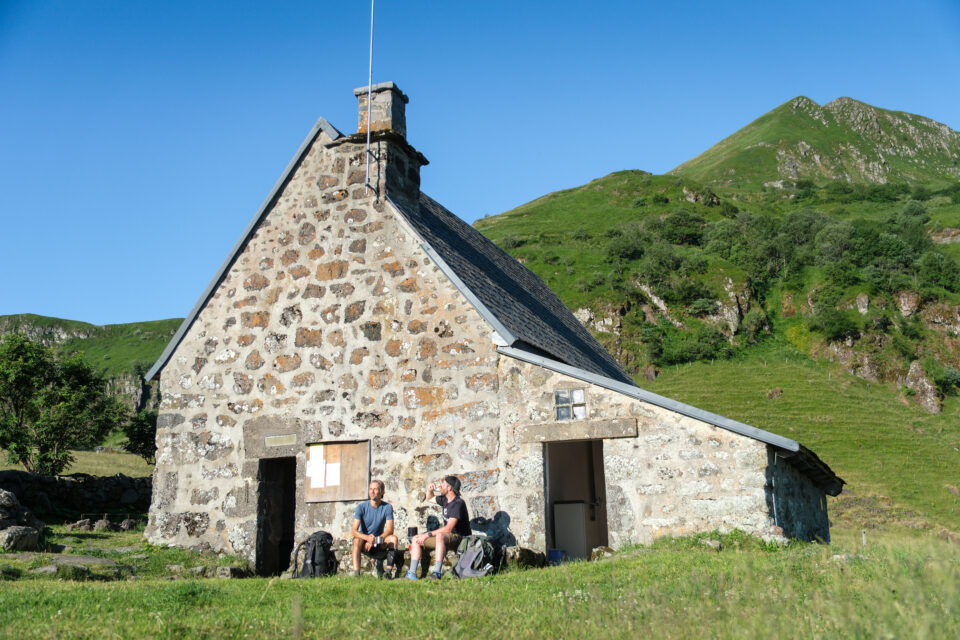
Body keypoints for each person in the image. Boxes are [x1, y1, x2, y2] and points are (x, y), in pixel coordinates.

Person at [405, 475, 471, 580]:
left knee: (440, 536)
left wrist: (427, 534)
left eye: (443, 484)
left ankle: (436, 573)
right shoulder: (445, 500)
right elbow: (430, 498)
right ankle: (412, 574)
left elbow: (449, 528)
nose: (440, 486)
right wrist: (429, 490)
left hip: (459, 537)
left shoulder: (458, 503)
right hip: (446, 537)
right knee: (415, 539)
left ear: (449, 488)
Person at [351, 479, 399, 578]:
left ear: (382, 491)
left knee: (393, 539)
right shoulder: (361, 507)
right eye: (370, 489)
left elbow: (390, 530)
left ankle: (388, 572)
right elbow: (354, 531)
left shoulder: (387, 507)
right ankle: (356, 573)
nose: (372, 492)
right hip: (364, 541)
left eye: (375, 489)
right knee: (356, 540)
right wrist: (367, 538)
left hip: (378, 540)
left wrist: (374, 540)